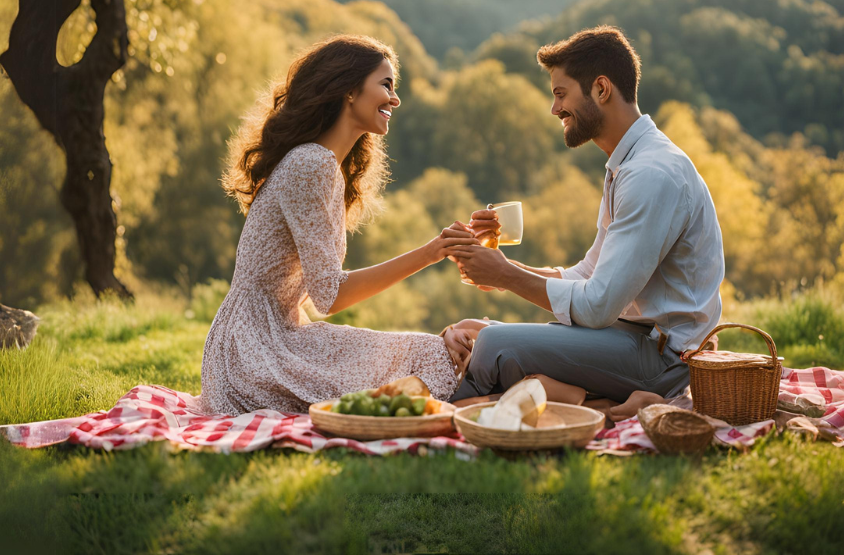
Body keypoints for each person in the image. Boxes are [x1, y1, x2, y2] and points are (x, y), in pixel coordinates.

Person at [443, 25, 726, 414]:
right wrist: (500, 268)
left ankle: (444, 417)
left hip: (667, 361)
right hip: (632, 340)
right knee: (483, 331)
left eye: (561, 94)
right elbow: (589, 274)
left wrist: (506, 276)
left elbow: (596, 307)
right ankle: (518, 403)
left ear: (601, 89)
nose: (555, 108)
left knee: (494, 345)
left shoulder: (650, 174)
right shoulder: (628, 166)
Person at [198, 35, 474, 415]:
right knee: (435, 355)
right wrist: (431, 252)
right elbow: (330, 296)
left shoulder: (320, 163)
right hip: (253, 354)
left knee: (430, 351)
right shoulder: (311, 163)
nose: (394, 99)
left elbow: (309, 296)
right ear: (348, 90)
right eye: (386, 85)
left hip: (263, 342)